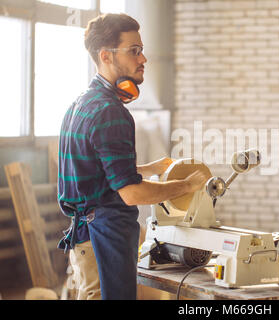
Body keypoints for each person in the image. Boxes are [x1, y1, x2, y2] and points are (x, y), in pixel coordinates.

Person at [57, 13, 208, 300]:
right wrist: (186, 186)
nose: (144, 59)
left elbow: (95, 170)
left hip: (85, 237)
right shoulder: (111, 112)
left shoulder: (80, 104)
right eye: (134, 51)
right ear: (106, 56)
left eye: (142, 50)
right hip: (104, 235)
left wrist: (146, 168)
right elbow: (132, 193)